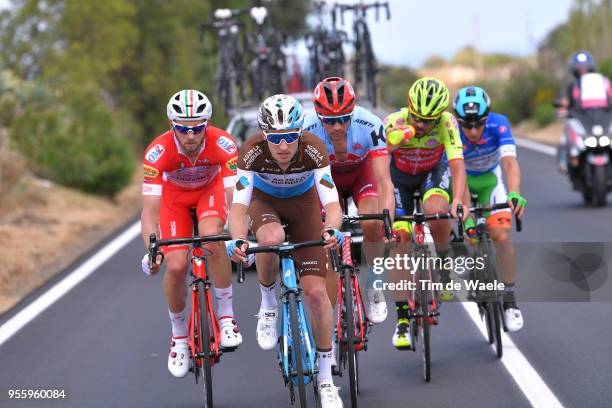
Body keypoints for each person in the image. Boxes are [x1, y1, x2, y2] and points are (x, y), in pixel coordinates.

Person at [227, 94, 344, 407]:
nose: (283, 146)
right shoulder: (250, 152)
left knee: (317, 295)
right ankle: (267, 304)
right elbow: (238, 207)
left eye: (290, 137)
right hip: (264, 204)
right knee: (270, 238)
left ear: (300, 133)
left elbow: (332, 203)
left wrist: (332, 228)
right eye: (276, 138)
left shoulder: (314, 149)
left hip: (304, 206)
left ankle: (325, 379)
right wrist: (237, 238)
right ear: (265, 135)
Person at [140, 89, 242, 378]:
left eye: (198, 128)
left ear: (207, 123)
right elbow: (149, 211)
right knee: (176, 265)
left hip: (209, 194)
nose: (191, 135)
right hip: (175, 201)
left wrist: (237, 236)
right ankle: (179, 337)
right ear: (172, 125)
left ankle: (226, 317)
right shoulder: (157, 152)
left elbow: (234, 197)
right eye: (183, 129)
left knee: (213, 238)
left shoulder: (222, 142)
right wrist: (152, 248)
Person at [303, 76, 395, 325]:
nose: (336, 127)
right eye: (330, 120)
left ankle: (374, 286)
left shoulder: (370, 124)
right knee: (324, 238)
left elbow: (385, 182)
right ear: (319, 116)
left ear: (353, 113)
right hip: (326, 180)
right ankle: (328, 316)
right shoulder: (305, 128)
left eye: (344, 118)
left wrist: (388, 220)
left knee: (372, 223)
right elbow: (303, 181)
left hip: (360, 176)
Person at [383, 77, 466, 349]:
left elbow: (456, 165)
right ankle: (403, 320)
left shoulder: (447, 122)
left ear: (439, 116)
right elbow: (381, 155)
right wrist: (401, 135)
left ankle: (442, 264)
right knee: (399, 239)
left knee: (436, 211)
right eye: (417, 118)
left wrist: (459, 200)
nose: (422, 125)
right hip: (398, 179)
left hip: (432, 173)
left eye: (428, 121)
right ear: (409, 108)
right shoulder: (395, 120)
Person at [453, 86, 526, 332]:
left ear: (487, 118)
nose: (473, 131)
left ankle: (510, 300)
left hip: (490, 180)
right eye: (467, 125)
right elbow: (457, 172)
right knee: (471, 234)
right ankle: (470, 260)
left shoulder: (499, 124)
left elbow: (509, 162)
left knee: (501, 236)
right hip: (463, 180)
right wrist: (465, 210)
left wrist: (515, 193)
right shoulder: (451, 129)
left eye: (479, 124)